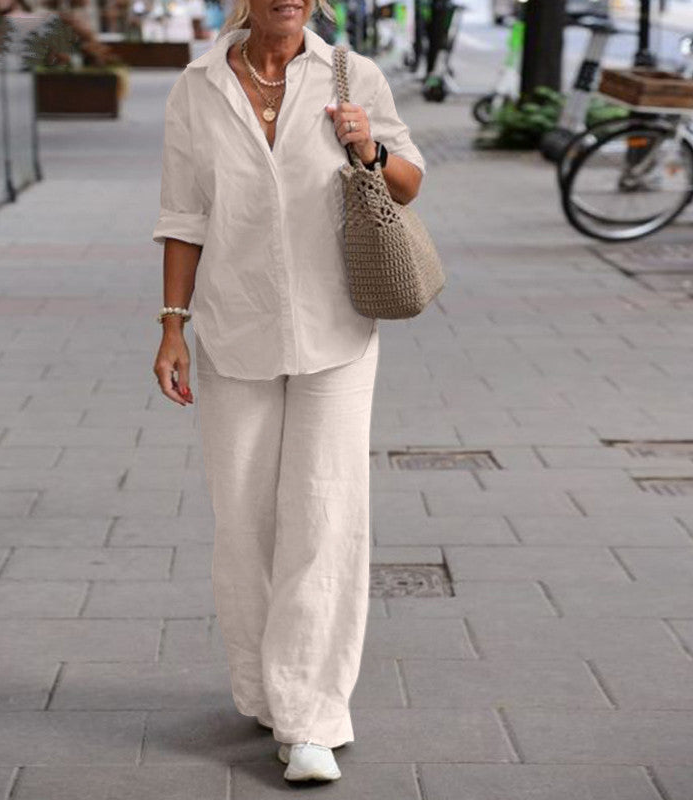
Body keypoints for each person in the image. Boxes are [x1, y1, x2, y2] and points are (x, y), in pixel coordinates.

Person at [151, 0, 425, 782]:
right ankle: (267, 687)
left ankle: (310, 715)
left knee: (325, 513)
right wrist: (172, 324)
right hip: (233, 328)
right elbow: (182, 214)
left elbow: (408, 184)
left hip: (336, 328)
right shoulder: (197, 88)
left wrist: (367, 146)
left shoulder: (352, 74)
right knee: (244, 523)